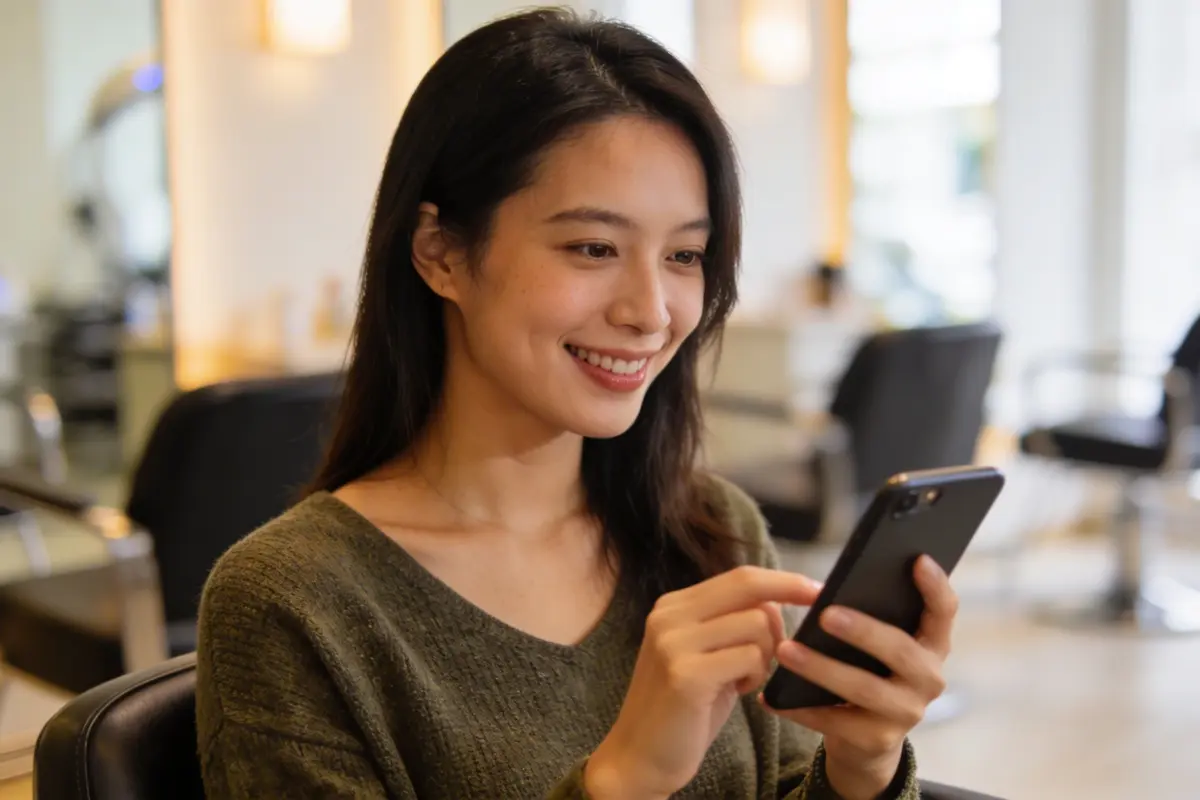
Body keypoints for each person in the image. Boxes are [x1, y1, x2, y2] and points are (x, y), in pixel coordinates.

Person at [196, 9, 958, 799]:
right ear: (441, 254)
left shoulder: (711, 532)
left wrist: (862, 767)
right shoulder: (293, 603)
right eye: (594, 248)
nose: (652, 310)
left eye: (684, 256)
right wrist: (622, 779)